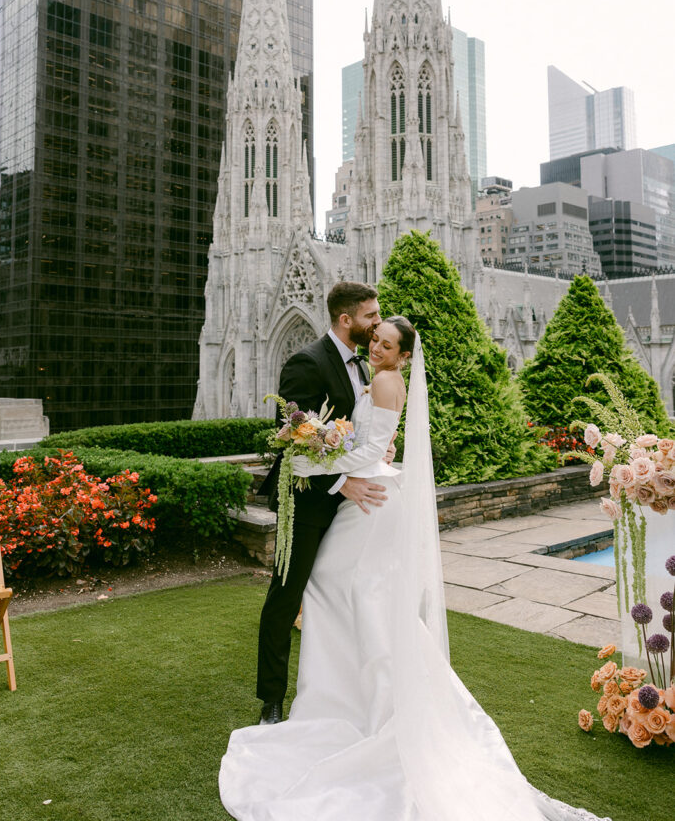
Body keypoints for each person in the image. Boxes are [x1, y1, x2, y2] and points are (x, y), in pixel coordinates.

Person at [220, 316, 612, 821]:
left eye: (388, 345)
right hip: (369, 488)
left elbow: (364, 448)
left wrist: (313, 460)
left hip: (371, 498)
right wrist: (331, 446)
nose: (378, 349)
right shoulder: (379, 377)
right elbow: (372, 440)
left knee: (351, 592)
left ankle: (371, 705)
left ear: (405, 356)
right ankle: (350, 696)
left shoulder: (385, 380)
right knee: (344, 593)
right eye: (376, 340)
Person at [255, 281, 396, 725]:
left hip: (350, 510)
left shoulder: (367, 367)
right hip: (308, 503)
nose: (377, 323)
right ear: (345, 319)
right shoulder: (307, 363)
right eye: (371, 316)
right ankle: (271, 701)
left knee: (342, 594)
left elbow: (352, 431)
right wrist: (342, 484)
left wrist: (379, 452)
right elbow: (295, 445)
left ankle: (338, 691)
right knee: (286, 596)